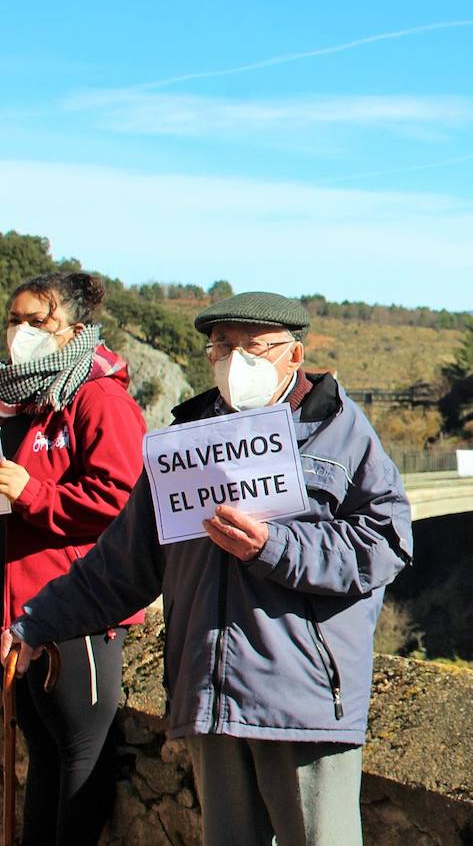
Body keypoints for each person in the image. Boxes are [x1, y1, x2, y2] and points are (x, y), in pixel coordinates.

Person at [3, 291, 412, 846]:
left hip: (303, 703)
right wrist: (36, 621)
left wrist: (274, 547)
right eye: (222, 345)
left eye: (253, 347)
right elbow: (122, 565)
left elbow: (384, 541)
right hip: (211, 702)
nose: (234, 359)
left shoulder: (340, 428)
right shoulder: (183, 443)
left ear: (294, 355)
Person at [0, 271, 147, 845]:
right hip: (26, 610)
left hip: (80, 606)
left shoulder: (99, 397)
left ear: (77, 330)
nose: (20, 332)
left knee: (80, 755)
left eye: (38, 321)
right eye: (14, 319)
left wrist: (27, 491)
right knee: (45, 751)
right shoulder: (26, 402)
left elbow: (123, 500)